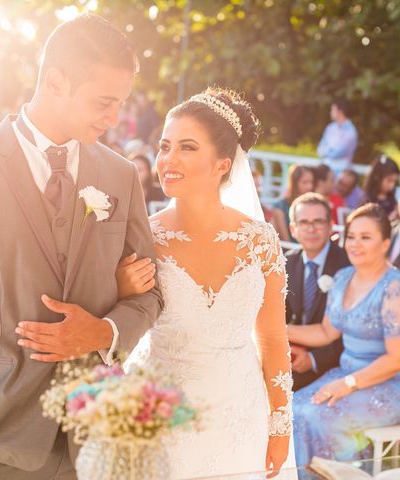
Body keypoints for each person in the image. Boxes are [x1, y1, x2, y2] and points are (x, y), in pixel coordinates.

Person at [0, 14, 163, 479]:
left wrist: (105, 331)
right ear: (55, 81)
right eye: (104, 102)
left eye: (121, 104)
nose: (115, 119)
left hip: (97, 433)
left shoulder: (120, 175)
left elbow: (150, 292)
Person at [116, 87, 296, 479]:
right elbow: (117, 326)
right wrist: (122, 291)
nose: (168, 159)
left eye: (187, 147)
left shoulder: (260, 241)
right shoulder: (143, 238)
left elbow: (273, 341)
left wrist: (280, 425)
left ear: (222, 165)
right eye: (164, 147)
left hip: (239, 416)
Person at [289, 203, 400, 466]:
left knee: (318, 416)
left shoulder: (397, 288)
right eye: (351, 236)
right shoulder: (342, 278)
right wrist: (276, 331)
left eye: (366, 237)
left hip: (395, 384)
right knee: (294, 407)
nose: (355, 244)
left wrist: (350, 383)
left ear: (386, 243)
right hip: (347, 374)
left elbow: (398, 359)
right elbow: (326, 332)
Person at [286, 193, 349, 391]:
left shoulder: (346, 266)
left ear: (330, 226)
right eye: (304, 222)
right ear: (293, 229)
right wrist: (289, 350)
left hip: (331, 362)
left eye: (318, 222)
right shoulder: (286, 263)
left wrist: (313, 359)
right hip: (290, 354)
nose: (311, 228)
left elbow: (350, 329)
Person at [272, 164, 314, 242]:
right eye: (305, 182)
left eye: (311, 182)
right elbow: (286, 241)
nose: (309, 186)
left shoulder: (312, 204)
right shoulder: (280, 207)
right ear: (294, 183)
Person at [317, 99, 358, 177]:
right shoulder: (330, 128)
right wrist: (329, 151)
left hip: (340, 173)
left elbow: (338, 153)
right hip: (325, 171)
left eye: (333, 109)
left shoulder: (350, 131)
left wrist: (327, 151)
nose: (330, 112)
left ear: (340, 111)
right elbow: (320, 148)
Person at [360, 154, 400, 221]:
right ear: (377, 177)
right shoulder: (367, 200)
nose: (392, 185)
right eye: (389, 180)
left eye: (395, 182)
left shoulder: (393, 198)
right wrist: (390, 219)